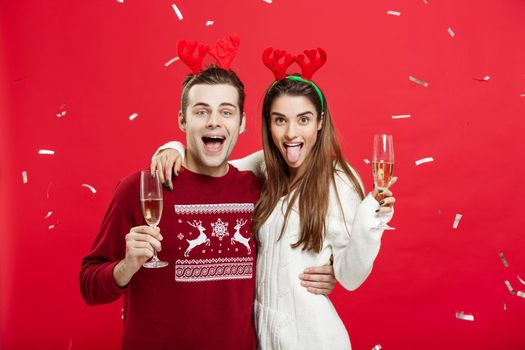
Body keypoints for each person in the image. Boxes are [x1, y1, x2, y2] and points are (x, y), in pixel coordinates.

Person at [80, 36, 336, 350]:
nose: (214, 121)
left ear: (242, 123)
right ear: (182, 119)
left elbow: (289, 249)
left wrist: (331, 268)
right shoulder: (141, 188)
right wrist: (126, 266)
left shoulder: (259, 189)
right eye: (201, 112)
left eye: (226, 112)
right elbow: (89, 285)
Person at [152, 47, 396, 349]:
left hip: (312, 339)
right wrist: (172, 147)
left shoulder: (339, 182)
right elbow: (210, 166)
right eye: (280, 120)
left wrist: (369, 223)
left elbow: (350, 277)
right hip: (263, 338)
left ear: (320, 122)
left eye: (303, 120)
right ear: (268, 124)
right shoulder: (265, 167)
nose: (291, 133)